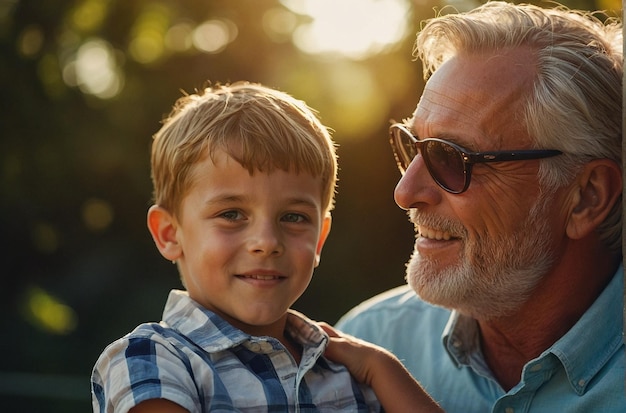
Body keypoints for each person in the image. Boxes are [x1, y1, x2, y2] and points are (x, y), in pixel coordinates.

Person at [336, 1, 625, 412]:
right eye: (411, 146)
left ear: (586, 197)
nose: (405, 192)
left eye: (451, 158)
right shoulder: (370, 342)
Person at [90, 81, 443, 413]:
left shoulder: (350, 368)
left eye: (293, 217)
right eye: (231, 214)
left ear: (319, 239)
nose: (267, 242)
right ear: (169, 234)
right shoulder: (151, 358)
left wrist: (383, 368)